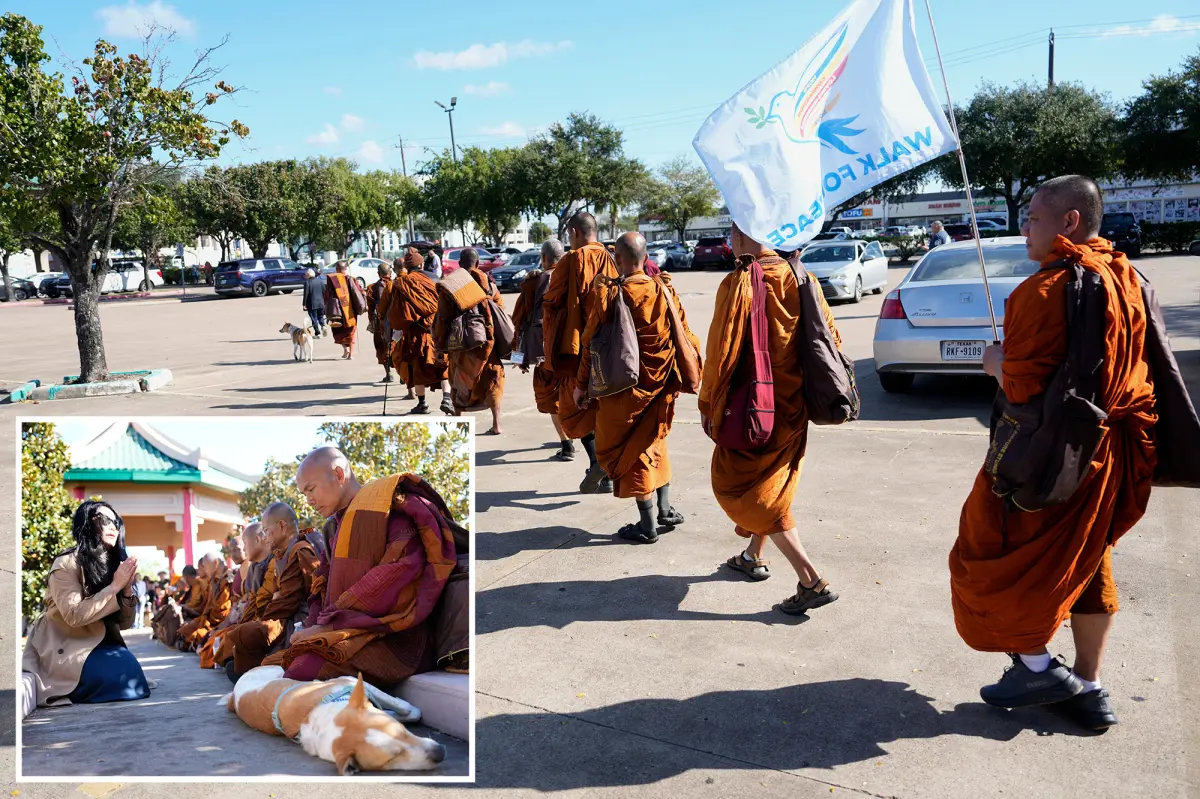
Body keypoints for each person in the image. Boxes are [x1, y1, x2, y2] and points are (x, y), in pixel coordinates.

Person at [950, 175, 1157, 731]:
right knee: (1088, 562)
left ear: (1069, 222)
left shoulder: (1043, 291)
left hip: (1052, 457)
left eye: (1033, 219)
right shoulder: (1126, 276)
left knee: (988, 556)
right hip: (1109, 454)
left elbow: (1021, 386)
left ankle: (1039, 666)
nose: (1024, 228)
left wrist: (995, 363)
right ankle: (1088, 688)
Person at [701, 222, 841, 614]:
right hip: (793, 404)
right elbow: (830, 338)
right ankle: (752, 556)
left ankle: (810, 578)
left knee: (737, 487)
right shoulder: (802, 276)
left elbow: (720, 352)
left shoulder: (739, 282)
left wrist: (709, 404)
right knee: (772, 484)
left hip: (752, 408)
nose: (730, 242)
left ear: (742, 235)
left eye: (732, 233)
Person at [260, 447, 460, 689]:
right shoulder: (334, 528)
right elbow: (320, 587)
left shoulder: (390, 506)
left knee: (304, 669)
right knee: (271, 665)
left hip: (396, 638)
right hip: (344, 630)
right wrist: (314, 627)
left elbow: (399, 573)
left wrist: (329, 626)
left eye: (310, 489)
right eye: (304, 494)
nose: (308, 500)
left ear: (338, 475)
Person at [573, 232, 699, 543]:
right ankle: (665, 510)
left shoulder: (612, 294)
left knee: (627, 452)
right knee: (654, 442)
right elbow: (686, 336)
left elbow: (592, 344)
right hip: (661, 382)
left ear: (620, 259)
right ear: (644, 259)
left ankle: (647, 525)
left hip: (624, 388)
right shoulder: (664, 289)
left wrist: (581, 386)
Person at [22, 500, 149, 714]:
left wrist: (126, 590)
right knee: (118, 680)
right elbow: (73, 615)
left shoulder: (111, 564)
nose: (113, 527)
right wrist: (115, 585)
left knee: (131, 677)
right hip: (65, 641)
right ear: (88, 523)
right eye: (106, 520)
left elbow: (125, 624)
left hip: (97, 642)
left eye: (116, 522)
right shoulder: (65, 564)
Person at [542, 211, 619, 493]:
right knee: (604, 409)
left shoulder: (572, 260)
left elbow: (552, 302)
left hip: (578, 347)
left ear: (574, 232)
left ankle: (597, 463)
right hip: (611, 345)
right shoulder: (613, 257)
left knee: (576, 407)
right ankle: (607, 470)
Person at [220, 503, 321, 684]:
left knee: (251, 636)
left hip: (300, 620)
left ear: (282, 526)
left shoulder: (300, 550)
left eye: (266, 530)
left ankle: (255, 670)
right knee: (242, 633)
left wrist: (267, 614)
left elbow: (290, 599)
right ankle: (250, 669)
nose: (265, 537)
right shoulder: (282, 555)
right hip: (285, 616)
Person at [512, 238, 574, 460]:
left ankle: (567, 445)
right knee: (577, 394)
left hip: (545, 353)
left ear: (544, 258)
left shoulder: (535, 282)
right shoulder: (574, 277)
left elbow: (519, 321)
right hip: (574, 349)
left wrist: (519, 357)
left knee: (552, 399)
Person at [435, 248, 506, 434]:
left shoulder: (452, 284)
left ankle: (459, 425)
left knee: (459, 380)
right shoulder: (489, 283)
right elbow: (499, 308)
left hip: (460, 344)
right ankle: (497, 424)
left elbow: (443, 317)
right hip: (487, 343)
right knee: (492, 378)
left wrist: (439, 345)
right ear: (477, 263)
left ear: (459, 264)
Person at [383, 248, 452, 415]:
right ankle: (447, 398)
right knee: (443, 366)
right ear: (421, 264)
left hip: (416, 333)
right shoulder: (434, 278)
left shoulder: (401, 284)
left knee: (418, 369)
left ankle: (422, 404)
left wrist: (392, 336)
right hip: (437, 331)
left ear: (407, 266)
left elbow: (397, 314)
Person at [176, 553, 232, 652]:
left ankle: (196, 644)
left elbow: (222, 611)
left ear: (215, 563)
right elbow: (208, 606)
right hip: (207, 619)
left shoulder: (228, 579)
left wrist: (204, 621)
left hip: (219, 622)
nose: (202, 570)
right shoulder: (213, 581)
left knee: (198, 634)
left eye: (204, 567)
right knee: (185, 630)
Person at [324, 260, 360, 359]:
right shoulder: (351, 279)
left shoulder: (332, 280)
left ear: (336, 269)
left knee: (339, 332)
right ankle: (351, 354)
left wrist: (326, 310)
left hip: (337, 312)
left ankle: (345, 349)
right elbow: (358, 293)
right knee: (351, 331)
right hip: (350, 311)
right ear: (345, 269)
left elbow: (327, 295)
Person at [368, 262, 396, 383]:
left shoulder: (373, 287)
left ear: (378, 273)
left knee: (382, 347)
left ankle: (388, 373)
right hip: (397, 320)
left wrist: (372, 320)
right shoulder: (397, 283)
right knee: (396, 346)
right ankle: (402, 374)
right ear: (390, 273)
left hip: (381, 322)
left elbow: (371, 307)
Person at [302, 268, 327, 338]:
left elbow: (306, 294)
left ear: (308, 275)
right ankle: (323, 326)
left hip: (312, 304)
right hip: (321, 303)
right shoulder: (320, 281)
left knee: (314, 318)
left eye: (306, 274)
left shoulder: (307, 282)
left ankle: (317, 333)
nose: (305, 276)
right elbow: (324, 292)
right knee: (321, 316)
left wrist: (304, 304)